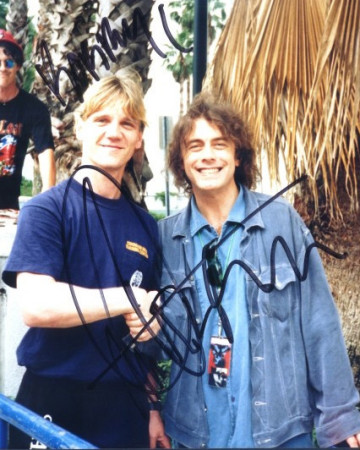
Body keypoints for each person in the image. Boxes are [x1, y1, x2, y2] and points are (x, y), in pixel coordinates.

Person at [157, 93, 360, 448]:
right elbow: (147, 340)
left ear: (238, 156)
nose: (207, 155)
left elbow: (320, 323)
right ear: (182, 161)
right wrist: (150, 407)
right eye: (195, 146)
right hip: (196, 434)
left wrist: (340, 417)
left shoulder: (282, 222)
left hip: (279, 432)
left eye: (219, 144)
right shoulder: (165, 238)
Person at [2, 72, 170, 449]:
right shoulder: (47, 210)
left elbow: (144, 330)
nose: (114, 132)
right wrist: (127, 299)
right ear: (80, 128)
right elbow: (36, 305)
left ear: (139, 136)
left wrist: (153, 406)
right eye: (102, 120)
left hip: (124, 408)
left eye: (127, 123)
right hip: (54, 399)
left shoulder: (144, 224)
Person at [0, 29, 55, 210]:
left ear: (17, 65)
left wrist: (48, 206)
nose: (2, 68)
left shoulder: (34, 108)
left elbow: (46, 153)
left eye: (8, 62)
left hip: (8, 206)